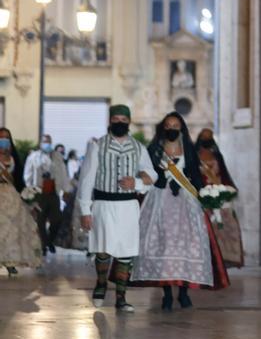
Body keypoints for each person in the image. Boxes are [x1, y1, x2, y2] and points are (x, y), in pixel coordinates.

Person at [130, 113, 230, 310]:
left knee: (187, 243)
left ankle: (184, 292)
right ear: (163, 128)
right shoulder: (155, 149)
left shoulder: (189, 150)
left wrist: (206, 196)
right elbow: (146, 172)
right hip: (159, 200)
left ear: (181, 128)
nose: (172, 128)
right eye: (168, 125)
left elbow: (195, 174)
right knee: (163, 245)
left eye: (176, 125)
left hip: (186, 202)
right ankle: (166, 293)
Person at [78, 105, 156, 312]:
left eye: (124, 119)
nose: (120, 123)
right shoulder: (97, 146)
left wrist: (137, 183)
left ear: (129, 122)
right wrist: (85, 210)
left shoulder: (139, 147)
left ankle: (121, 297)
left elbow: (152, 174)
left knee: (126, 252)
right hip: (103, 205)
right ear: (110, 121)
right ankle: (101, 283)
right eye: (116, 119)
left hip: (128, 207)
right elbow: (86, 180)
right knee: (103, 250)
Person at [195, 128, 244, 268]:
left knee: (224, 226)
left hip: (218, 196)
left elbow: (223, 175)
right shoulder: (194, 155)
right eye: (204, 137)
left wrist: (226, 192)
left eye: (209, 137)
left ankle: (224, 259)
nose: (206, 139)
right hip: (201, 197)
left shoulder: (217, 155)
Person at [0, 128, 40, 275]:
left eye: (6, 138)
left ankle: (10, 262)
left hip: (11, 196)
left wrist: (28, 197)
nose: (3, 140)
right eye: (1, 138)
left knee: (11, 230)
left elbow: (18, 180)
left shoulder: (13, 158)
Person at [24, 134, 71, 255]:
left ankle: (50, 241)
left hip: (53, 192)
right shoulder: (33, 157)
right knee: (40, 220)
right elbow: (27, 175)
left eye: (49, 141)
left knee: (57, 219)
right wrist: (30, 190)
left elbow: (63, 173)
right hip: (39, 192)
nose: (47, 144)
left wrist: (66, 189)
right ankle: (43, 245)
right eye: (45, 141)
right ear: (40, 143)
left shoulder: (57, 156)